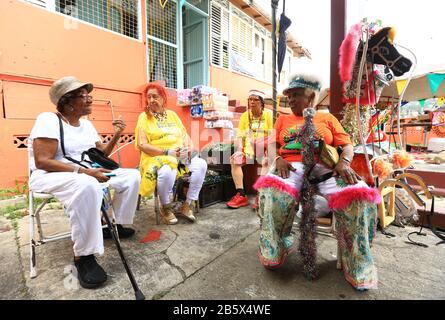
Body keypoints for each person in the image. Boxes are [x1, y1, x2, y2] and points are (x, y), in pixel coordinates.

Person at [253, 73, 381, 290]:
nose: (290, 100)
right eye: (289, 96)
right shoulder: (283, 118)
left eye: (295, 95)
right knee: (271, 192)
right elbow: (272, 144)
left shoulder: (327, 118)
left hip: (326, 168)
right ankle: (276, 246)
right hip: (292, 167)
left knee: (359, 196)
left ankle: (357, 262)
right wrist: (278, 158)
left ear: (310, 96)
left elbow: (346, 144)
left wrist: (344, 162)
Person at [28, 76, 141, 289]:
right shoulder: (49, 120)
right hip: (52, 174)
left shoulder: (87, 125)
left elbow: (102, 154)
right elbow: (43, 161)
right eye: (84, 96)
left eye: (89, 95)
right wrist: (84, 171)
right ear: (67, 101)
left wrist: (117, 134)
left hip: (88, 171)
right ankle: (84, 256)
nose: (90, 99)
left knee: (132, 176)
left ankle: (112, 225)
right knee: (86, 185)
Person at [135, 83, 207, 225]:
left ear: (163, 98)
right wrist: (167, 152)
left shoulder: (172, 115)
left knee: (201, 164)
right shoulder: (144, 117)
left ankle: (187, 204)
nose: (151, 100)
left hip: (178, 156)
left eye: (155, 96)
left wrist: (189, 149)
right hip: (156, 157)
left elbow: (185, 135)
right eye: (148, 97)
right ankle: (166, 207)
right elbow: (142, 145)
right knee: (167, 171)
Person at [226, 90, 273, 209]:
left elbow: (273, 136)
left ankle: (260, 196)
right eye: (250, 99)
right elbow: (240, 136)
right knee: (234, 160)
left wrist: (269, 152)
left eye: (255, 99)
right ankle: (241, 195)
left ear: (262, 102)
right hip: (248, 151)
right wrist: (239, 150)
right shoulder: (244, 116)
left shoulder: (269, 115)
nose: (252, 102)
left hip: (264, 150)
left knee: (267, 162)